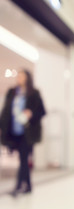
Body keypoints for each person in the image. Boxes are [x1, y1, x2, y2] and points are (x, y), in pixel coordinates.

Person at [0, 69, 46, 197]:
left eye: (21, 76)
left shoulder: (34, 94)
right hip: (14, 131)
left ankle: (19, 186)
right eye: (18, 76)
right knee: (23, 158)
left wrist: (31, 113)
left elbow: (42, 112)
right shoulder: (12, 92)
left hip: (27, 132)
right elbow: (5, 111)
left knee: (24, 158)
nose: (19, 78)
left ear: (27, 78)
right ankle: (28, 186)